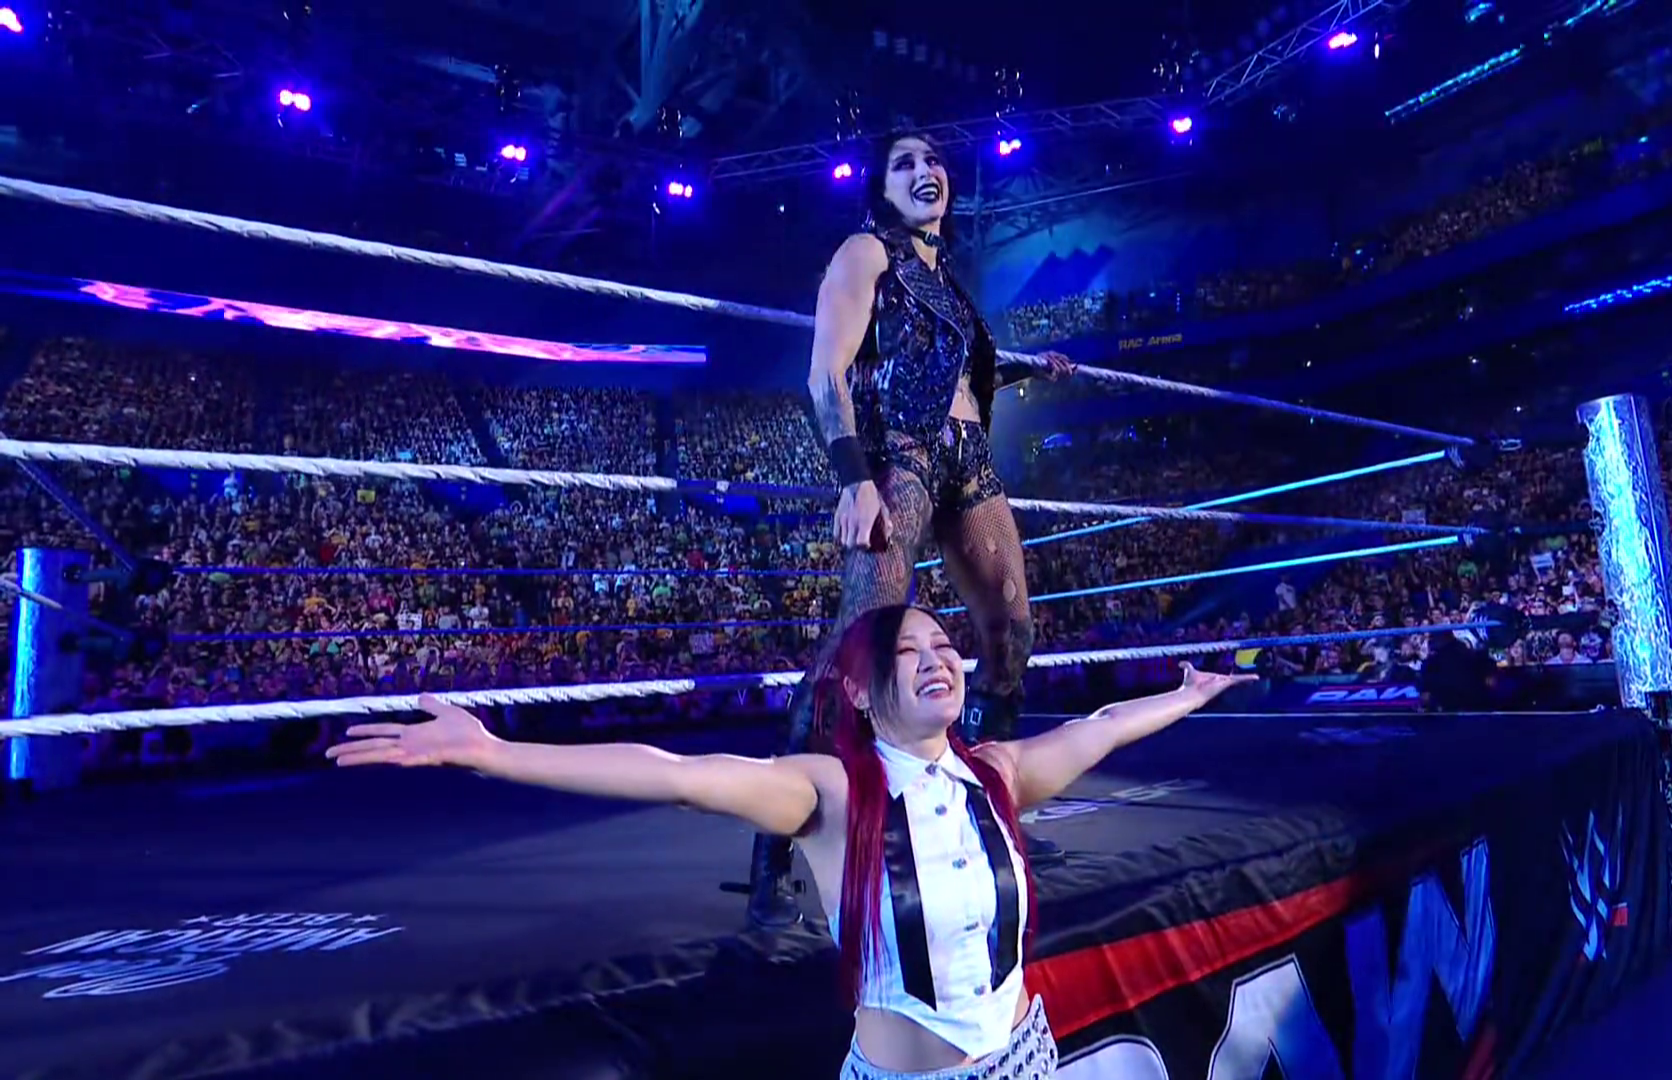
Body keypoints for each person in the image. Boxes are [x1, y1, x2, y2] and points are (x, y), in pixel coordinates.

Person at [327, 605, 1252, 1079]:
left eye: (945, 646)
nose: (939, 659)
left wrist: (1184, 697)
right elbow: (676, 773)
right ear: (858, 691)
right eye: (908, 652)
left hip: (1028, 1061)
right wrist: (496, 753)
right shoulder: (830, 791)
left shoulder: (999, 772)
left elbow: (1102, 725)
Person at [751, 130, 1075, 926]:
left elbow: (955, 369)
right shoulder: (865, 253)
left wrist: (1030, 366)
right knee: (855, 647)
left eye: (933, 160)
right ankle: (773, 855)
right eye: (905, 163)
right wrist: (853, 478)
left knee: (1012, 629)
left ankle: (993, 806)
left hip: (970, 459)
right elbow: (826, 371)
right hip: (900, 456)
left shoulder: (946, 282)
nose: (926, 171)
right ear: (882, 187)